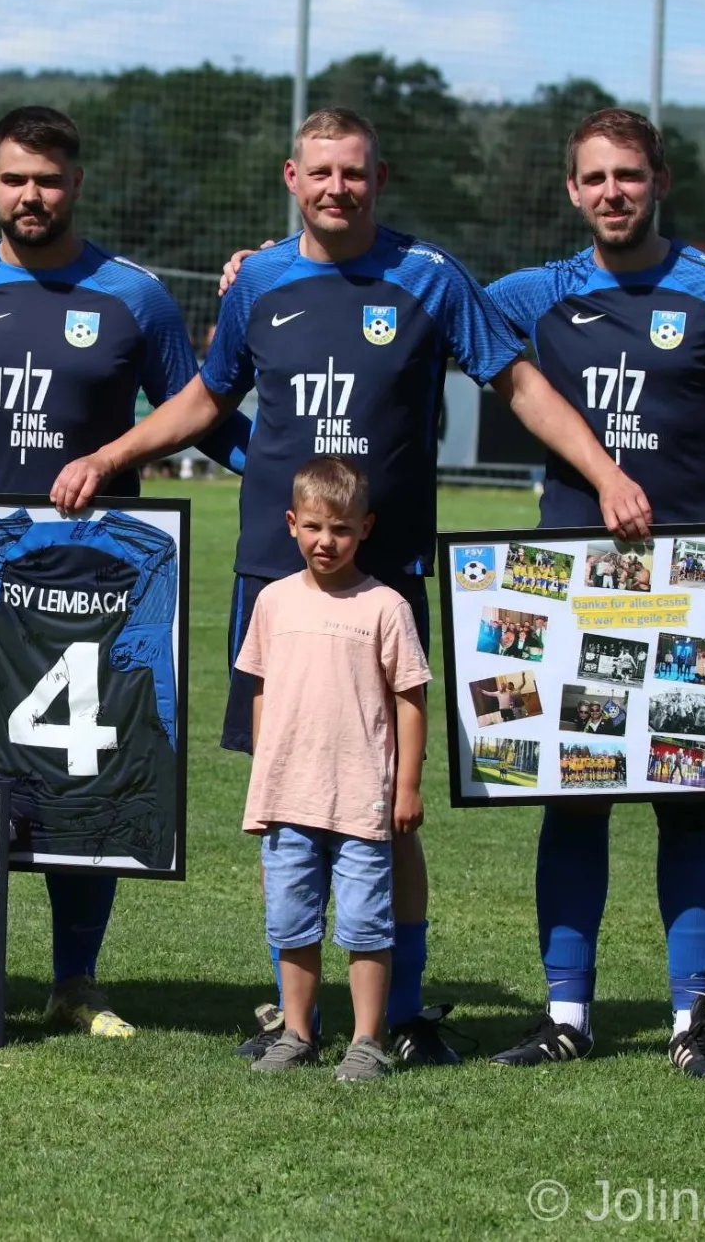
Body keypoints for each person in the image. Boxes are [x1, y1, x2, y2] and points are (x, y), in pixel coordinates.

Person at [54, 106, 648, 1065]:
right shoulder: (261, 282)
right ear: (292, 177)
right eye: (322, 171)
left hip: (387, 579)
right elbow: (207, 397)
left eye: (356, 172)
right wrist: (109, 453)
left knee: (385, 802)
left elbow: (519, 384)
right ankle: (295, 1017)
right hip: (273, 580)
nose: (339, 187)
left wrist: (608, 472)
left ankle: (397, 1012)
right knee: (285, 792)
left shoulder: (429, 276)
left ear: (381, 177)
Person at [0, 105, 247, 1038]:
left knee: (87, 776)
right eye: (15, 178)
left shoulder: (134, 298)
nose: (32, 195)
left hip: (96, 594)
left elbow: (202, 409)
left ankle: (75, 980)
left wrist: (296, 473)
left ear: (76, 184)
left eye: (48, 180)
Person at [483, 107, 705, 1081]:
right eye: (593, 178)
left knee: (687, 803)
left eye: (627, 175)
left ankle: (690, 1018)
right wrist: (261, 264)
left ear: (658, 181)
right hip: (575, 589)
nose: (611, 193)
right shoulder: (534, 295)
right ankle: (565, 1016)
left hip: (691, 590)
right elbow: (409, 297)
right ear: (570, 190)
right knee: (574, 803)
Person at [238, 457, 429, 1079]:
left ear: (365, 528)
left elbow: (411, 699)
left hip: (360, 799)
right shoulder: (272, 602)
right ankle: (297, 1032)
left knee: (366, 924)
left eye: (342, 529)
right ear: (292, 523)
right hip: (288, 796)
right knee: (291, 919)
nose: (327, 541)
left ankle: (368, 1040)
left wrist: (406, 785)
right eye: (315, 526)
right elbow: (261, 690)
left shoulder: (386, 606)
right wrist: (264, 772)